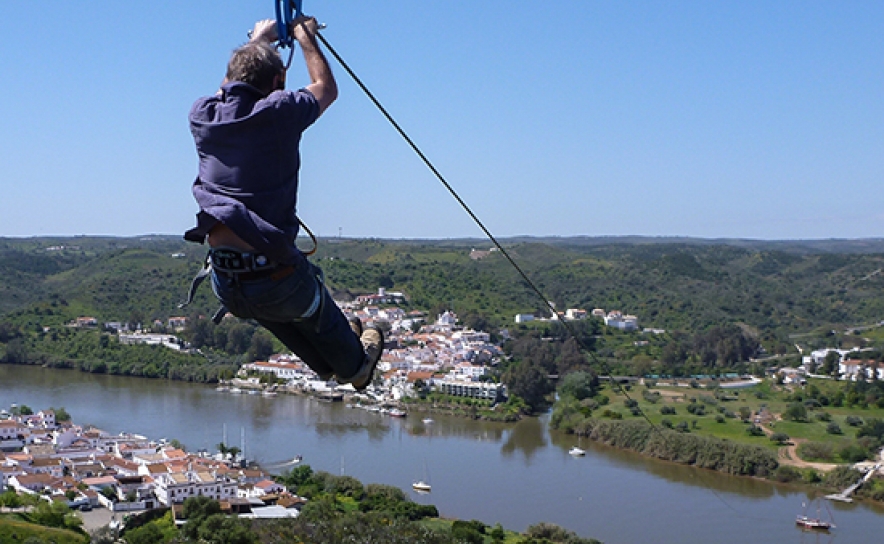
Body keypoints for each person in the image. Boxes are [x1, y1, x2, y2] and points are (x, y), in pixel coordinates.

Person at [183, 16, 383, 390]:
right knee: (311, 303)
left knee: (278, 309)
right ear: (276, 84)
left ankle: (326, 364)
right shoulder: (279, 111)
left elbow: (230, 87)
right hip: (274, 280)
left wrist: (257, 43)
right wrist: (305, 39)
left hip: (226, 284)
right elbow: (325, 87)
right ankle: (354, 365)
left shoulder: (202, 115)